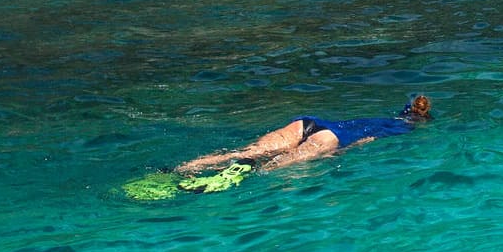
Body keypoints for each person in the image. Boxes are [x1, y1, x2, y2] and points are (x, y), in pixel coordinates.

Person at [176, 96, 431, 173]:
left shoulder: (377, 117)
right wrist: (340, 151)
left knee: (246, 152)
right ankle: (240, 173)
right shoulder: (402, 128)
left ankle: (185, 167)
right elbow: (366, 139)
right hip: (331, 138)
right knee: (273, 167)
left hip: (309, 123)